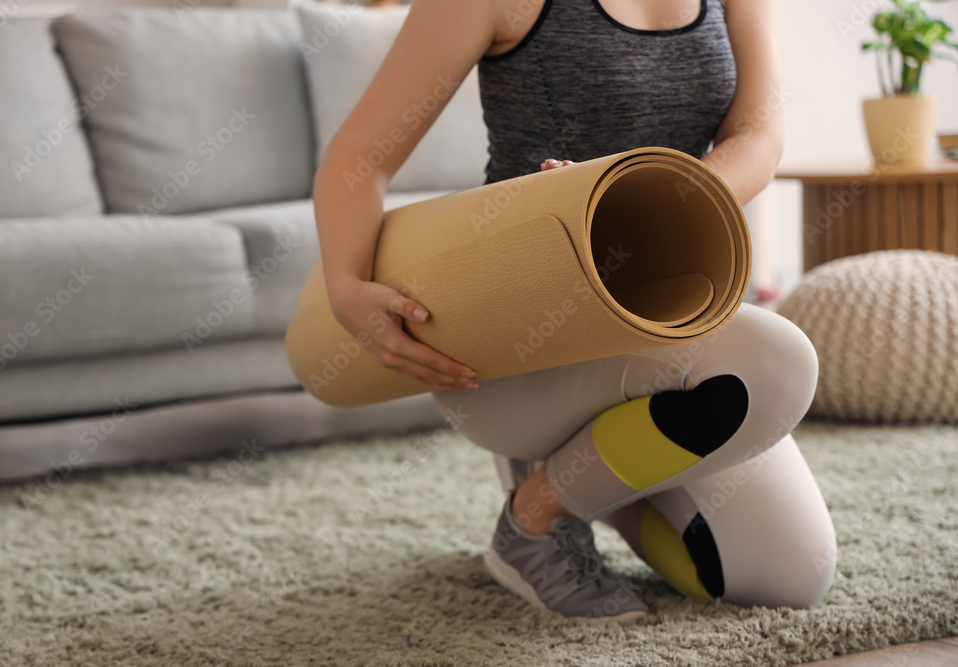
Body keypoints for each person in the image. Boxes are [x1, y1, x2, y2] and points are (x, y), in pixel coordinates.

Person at [312, 0, 837, 620]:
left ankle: (574, 479)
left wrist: (647, 206)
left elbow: (759, 134)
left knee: (790, 577)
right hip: (525, 353)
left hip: (671, 348)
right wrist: (346, 288)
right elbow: (358, 155)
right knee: (775, 364)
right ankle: (533, 523)